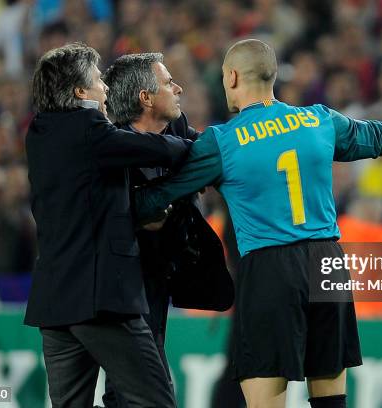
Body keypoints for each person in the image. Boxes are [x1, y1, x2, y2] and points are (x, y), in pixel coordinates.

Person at [136, 39, 382, 408]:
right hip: (327, 263)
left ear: (231, 77)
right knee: (331, 402)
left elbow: (155, 199)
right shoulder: (319, 119)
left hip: (270, 268)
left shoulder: (222, 141)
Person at [24, 43, 191, 408]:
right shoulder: (89, 128)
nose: (106, 89)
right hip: (100, 299)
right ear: (80, 92)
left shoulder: (39, 132)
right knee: (153, 401)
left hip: (53, 303)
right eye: (99, 80)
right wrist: (188, 144)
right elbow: (159, 150)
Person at [101, 52, 233, 408]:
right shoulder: (108, 149)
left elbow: (204, 153)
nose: (178, 88)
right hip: (117, 283)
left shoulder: (175, 128)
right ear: (145, 98)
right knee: (151, 391)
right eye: (168, 82)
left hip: (158, 279)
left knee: (130, 389)